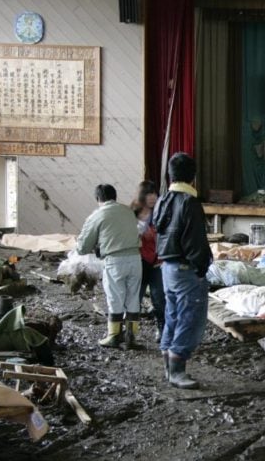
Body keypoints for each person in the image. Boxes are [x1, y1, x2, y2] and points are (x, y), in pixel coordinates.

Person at [154, 152, 213, 389]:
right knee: (190, 318)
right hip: (186, 268)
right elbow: (195, 242)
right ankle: (178, 369)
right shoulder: (190, 203)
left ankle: (169, 365)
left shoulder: (162, 200)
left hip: (167, 268)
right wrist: (201, 268)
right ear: (193, 177)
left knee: (173, 315)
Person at [76, 183, 143, 349]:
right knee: (133, 297)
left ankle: (114, 336)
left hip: (115, 261)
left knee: (115, 298)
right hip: (135, 259)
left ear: (98, 199)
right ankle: (131, 337)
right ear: (115, 196)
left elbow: (83, 247)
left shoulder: (97, 215)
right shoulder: (128, 211)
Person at [133, 180, 165, 342]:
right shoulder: (132, 213)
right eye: (148, 193)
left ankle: (162, 331)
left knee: (159, 298)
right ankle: (130, 332)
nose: (152, 197)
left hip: (158, 261)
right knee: (134, 299)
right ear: (142, 195)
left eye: (154, 193)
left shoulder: (161, 212)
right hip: (138, 262)